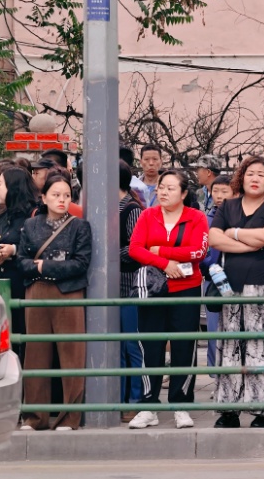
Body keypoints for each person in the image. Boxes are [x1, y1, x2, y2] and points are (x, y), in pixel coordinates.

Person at [126, 170, 209, 429]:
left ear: (184, 193)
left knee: (184, 346)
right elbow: (135, 249)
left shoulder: (196, 217)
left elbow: (198, 250)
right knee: (151, 346)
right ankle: (149, 405)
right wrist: (166, 263)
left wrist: (161, 250)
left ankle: (181, 404)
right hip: (153, 289)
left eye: (171, 188)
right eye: (161, 187)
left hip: (186, 288)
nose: (163, 192)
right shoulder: (147, 215)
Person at [209, 157, 264, 429]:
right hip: (230, 286)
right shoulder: (228, 205)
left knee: (262, 347)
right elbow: (214, 238)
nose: (255, 178)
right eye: (250, 173)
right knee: (230, 348)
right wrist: (249, 243)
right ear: (241, 177)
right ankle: (228, 410)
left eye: (261, 174)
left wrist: (235, 234)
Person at [17, 174, 92, 431]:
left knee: (71, 354)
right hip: (36, 290)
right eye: (56, 194)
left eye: (66, 195)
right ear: (44, 197)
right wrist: (40, 267)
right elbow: (21, 261)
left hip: (68, 292)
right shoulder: (30, 225)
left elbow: (81, 263)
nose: (62, 200)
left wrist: (44, 265)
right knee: (35, 354)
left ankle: (69, 417)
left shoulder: (79, 226)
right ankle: (35, 417)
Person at [0, 166, 37, 362]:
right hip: (0, 285)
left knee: (23, 340)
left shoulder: (34, 214)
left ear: (14, 187)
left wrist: (12, 251)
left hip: (23, 285)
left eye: (2, 184)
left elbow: (37, 247)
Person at [114, 161, 145, 423]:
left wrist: (108, 255)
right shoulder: (108, 207)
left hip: (129, 285)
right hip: (111, 287)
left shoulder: (131, 209)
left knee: (131, 346)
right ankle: (120, 398)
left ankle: (134, 400)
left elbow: (137, 249)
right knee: (117, 346)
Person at [201, 174, 233, 379]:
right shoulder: (204, 218)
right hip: (213, 280)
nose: (219, 196)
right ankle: (217, 376)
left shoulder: (240, 217)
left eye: (224, 191)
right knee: (214, 330)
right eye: (215, 191)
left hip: (237, 279)